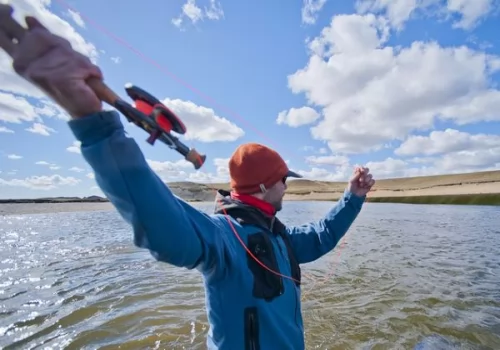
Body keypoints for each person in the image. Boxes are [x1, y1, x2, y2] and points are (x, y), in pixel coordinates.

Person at [0, 6, 376, 350]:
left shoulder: (281, 237)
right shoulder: (221, 239)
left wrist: (353, 196)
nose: (287, 187)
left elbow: (323, 236)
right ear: (263, 186)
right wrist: (94, 125)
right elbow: (162, 224)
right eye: (283, 180)